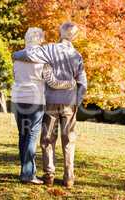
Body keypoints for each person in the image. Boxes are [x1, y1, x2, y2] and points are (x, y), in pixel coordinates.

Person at [13, 22, 87, 188]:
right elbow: (83, 83)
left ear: (60, 33)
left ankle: (49, 175)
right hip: (69, 102)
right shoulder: (77, 55)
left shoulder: (48, 49)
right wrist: (77, 101)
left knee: (48, 139)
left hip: (50, 102)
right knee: (68, 140)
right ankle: (68, 177)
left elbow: (29, 55)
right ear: (74, 37)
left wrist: (15, 55)